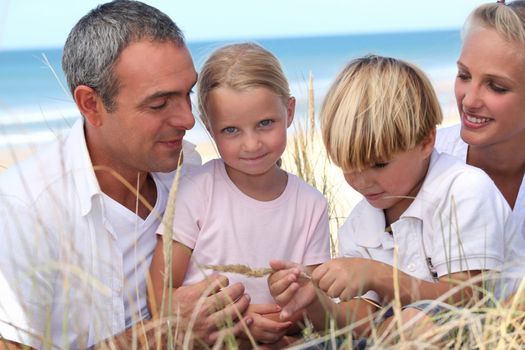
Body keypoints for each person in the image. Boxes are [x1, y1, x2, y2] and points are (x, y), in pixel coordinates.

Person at [0, 1, 251, 349]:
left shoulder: (191, 171)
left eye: (187, 93)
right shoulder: (24, 208)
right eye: (159, 104)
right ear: (91, 104)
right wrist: (159, 335)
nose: (187, 120)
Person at [268, 55, 518, 338]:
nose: (362, 182)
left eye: (379, 165)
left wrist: (376, 274)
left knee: (413, 321)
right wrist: (314, 301)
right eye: (349, 167)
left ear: (425, 141)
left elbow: (468, 299)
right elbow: (361, 320)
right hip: (398, 336)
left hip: (481, 334)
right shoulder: (361, 223)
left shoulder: (463, 191)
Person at [149, 42, 331, 348]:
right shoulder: (196, 190)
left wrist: (293, 302)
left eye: (265, 124)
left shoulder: (311, 204)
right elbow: (159, 298)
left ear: (288, 111)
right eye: (231, 130)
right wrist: (237, 326)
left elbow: (316, 310)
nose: (251, 144)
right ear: (209, 127)